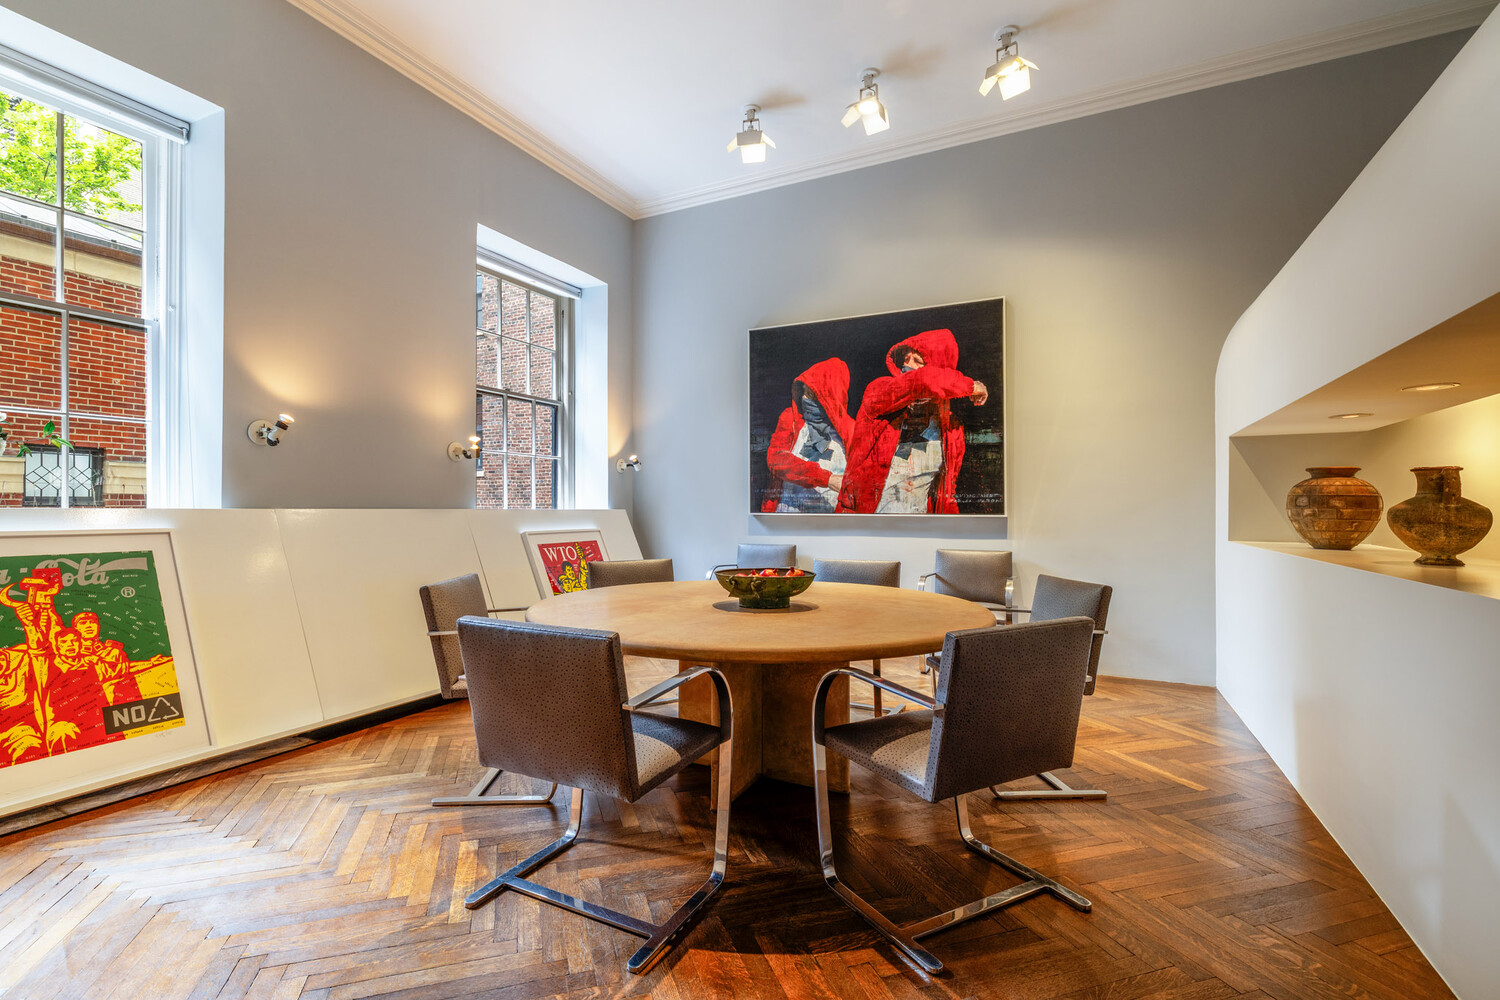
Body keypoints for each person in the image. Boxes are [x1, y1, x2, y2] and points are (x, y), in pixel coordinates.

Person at [836, 328, 988, 514]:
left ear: (940, 368)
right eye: (905, 360)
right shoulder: (880, 392)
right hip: (863, 524)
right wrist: (970, 386)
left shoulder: (952, 428)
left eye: (918, 361)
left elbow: (947, 491)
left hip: (915, 531)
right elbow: (922, 380)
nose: (907, 366)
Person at [762, 358, 855, 513]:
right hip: (789, 512)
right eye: (804, 392)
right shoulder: (791, 418)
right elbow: (776, 459)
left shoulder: (850, 429)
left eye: (812, 394)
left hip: (831, 518)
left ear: (830, 395)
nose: (805, 398)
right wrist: (826, 478)